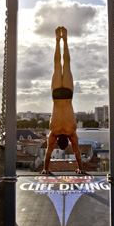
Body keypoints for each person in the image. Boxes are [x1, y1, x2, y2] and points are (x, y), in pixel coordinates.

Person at [40, 26, 85, 174]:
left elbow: (77, 153)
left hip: (67, 95)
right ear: (58, 141)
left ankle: (63, 40)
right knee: (58, 65)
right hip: (57, 95)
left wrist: (80, 168)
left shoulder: (72, 132)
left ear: (69, 141)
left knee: (64, 64)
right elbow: (48, 153)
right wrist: (45, 168)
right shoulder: (53, 132)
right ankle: (58, 40)